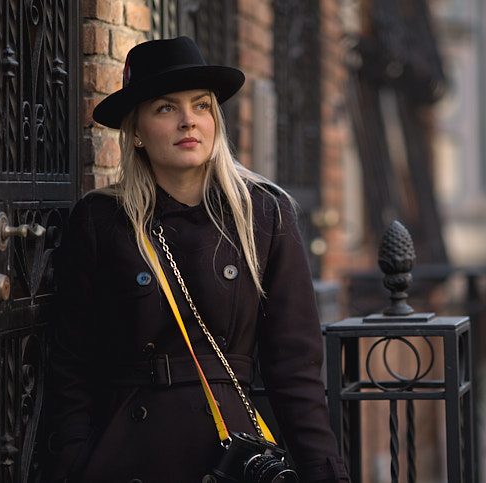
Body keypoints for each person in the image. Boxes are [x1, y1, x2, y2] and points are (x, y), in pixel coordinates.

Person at [47, 36, 350, 483]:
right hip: (131, 458)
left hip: (228, 460)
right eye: (166, 108)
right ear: (135, 131)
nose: (189, 120)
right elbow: (70, 366)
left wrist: (326, 473)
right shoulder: (101, 220)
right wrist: (76, 462)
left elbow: (296, 368)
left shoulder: (263, 214)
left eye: (202, 105)